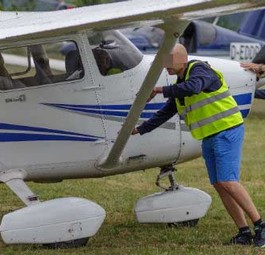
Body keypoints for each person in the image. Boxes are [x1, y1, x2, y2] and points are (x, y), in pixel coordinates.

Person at [131, 43, 265, 247]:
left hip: (227, 130)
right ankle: (244, 232)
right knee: (220, 185)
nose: (165, 66)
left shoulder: (200, 70)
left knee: (229, 182)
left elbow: (194, 87)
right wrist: (139, 129)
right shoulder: (180, 82)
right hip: (210, 136)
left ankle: (261, 226)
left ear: (181, 60)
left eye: (169, 61)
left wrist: (159, 89)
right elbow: (166, 112)